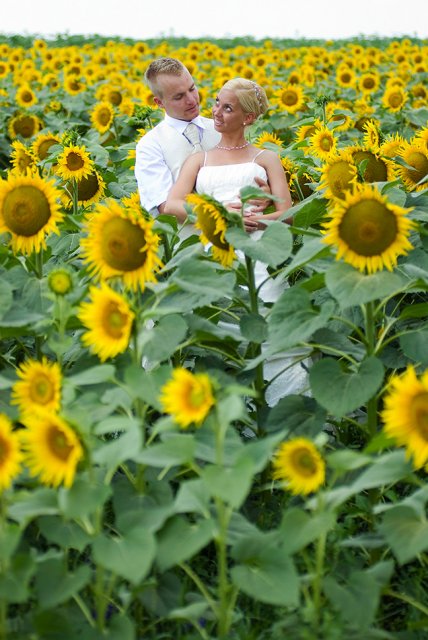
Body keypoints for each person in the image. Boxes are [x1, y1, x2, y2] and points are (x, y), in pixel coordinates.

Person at [165, 78, 309, 406]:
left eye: (227, 108)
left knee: (271, 328)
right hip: (215, 251)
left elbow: (288, 215)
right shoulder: (199, 160)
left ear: (248, 118)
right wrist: (217, 213)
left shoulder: (266, 158)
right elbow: (173, 205)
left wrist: (256, 220)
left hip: (260, 253)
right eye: (217, 102)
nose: (216, 111)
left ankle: (283, 410)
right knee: (217, 329)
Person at [134, 58, 270, 218]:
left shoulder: (224, 126)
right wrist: (218, 213)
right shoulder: (150, 145)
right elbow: (164, 206)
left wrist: (263, 192)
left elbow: (245, 172)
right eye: (179, 97)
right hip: (188, 233)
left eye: (192, 89)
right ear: (159, 102)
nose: (191, 100)